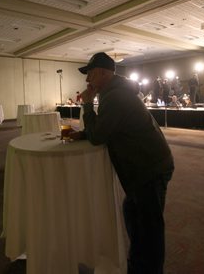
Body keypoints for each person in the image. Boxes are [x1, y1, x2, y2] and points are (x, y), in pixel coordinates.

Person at [71, 52, 174, 274]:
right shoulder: (114, 93)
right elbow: (107, 128)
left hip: (149, 167)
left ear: (102, 73)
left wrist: (88, 106)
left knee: (149, 226)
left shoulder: (115, 96)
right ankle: (139, 264)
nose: (87, 81)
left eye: (89, 75)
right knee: (133, 213)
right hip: (146, 164)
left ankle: (150, 269)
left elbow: (99, 136)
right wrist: (84, 133)